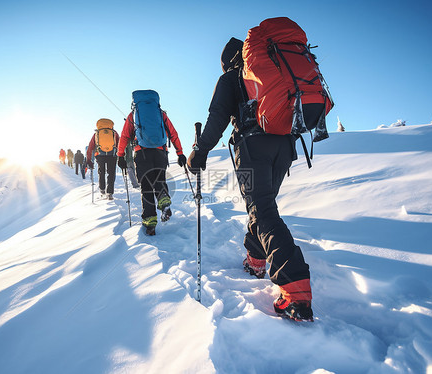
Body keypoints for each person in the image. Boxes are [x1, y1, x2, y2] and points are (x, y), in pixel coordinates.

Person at [187, 37, 323, 322]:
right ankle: (256, 260)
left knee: (262, 211)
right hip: (285, 147)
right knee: (262, 207)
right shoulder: (269, 71)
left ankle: (295, 289)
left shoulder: (231, 78)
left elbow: (217, 119)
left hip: (253, 146)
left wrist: (199, 152)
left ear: (228, 61)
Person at [116, 90, 186, 235]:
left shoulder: (133, 115)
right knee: (159, 179)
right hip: (160, 152)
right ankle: (164, 200)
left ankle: (150, 225)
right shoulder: (161, 114)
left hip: (142, 153)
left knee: (146, 187)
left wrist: (120, 155)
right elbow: (173, 133)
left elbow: (124, 137)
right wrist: (180, 153)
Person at [86, 118, 120, 200]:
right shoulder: (114, 133)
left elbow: (90, 147)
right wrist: (121, 155)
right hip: (112, 154)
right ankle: (110, 192)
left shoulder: (97, 134)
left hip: (100, 154)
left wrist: (89, 159)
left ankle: (102, 189)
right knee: (111, 173)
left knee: (101, 172)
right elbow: (119, 143)